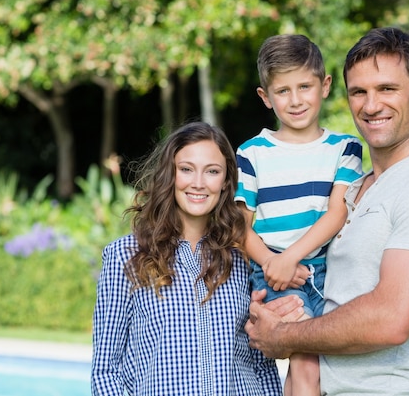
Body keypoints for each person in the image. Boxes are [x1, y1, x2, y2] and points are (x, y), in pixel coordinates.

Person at [245, 27, 409, 396]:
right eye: (359, 92)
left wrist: (285, 336)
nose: (371, 106)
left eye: (387, 89)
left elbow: (391, 321)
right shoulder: (354, 186)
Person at [91, 121, 283, 396]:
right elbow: (106, 371)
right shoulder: (125, 257)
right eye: (186, 169)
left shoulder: (243, 258)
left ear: (226, 181)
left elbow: (262, 365)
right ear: (170, 174)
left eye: (212, 171)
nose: (198, 183)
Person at [235, 34, 363, 396]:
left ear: (324, 86)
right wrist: (274, 263)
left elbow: (337, 212)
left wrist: (292, 258)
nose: (295, 100)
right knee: (307, 364)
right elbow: (240, 227)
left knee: (312, 369)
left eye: (304, 86)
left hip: (325, 273)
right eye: (283, 91)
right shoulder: (252, 152)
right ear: (266, 97)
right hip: (271, 272)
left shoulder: (345, 147)